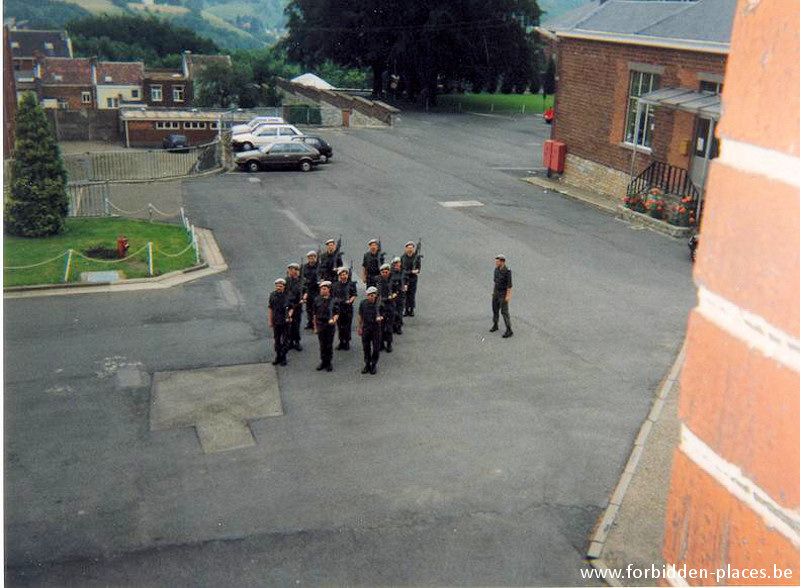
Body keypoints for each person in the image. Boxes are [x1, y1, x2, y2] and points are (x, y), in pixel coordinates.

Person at [313, 281, 339, 371]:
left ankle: (328, 363)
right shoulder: (317, 300)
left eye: (324, 289)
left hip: (329, 325)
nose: (322, 290)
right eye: (321, 289)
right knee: (322, 345)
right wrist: (315, 327)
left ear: (329, 289)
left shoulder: (333, 300)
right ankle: (323, 362)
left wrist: (334, 320)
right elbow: (314, 315)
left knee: (329, 345)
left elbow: (337, 313)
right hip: (320, 324)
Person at [358, 286, 383, 374]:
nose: (371, 297)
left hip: (376, 328)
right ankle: (367, 364)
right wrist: (360, 327)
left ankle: (374, 364)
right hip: (366, 327)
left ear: (376, 295)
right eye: (369, 295)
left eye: (373, 295)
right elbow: (360, 315)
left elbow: (383, 314)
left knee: (376, 348)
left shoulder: (379, 304)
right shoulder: (363, 303)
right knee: (366, 347)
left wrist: (380, 317)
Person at [332, 266, 357, 350]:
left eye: (345, 274)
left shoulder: (351, 284)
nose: (344, 276)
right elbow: (333, 296)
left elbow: (354, 294)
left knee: (347, 326)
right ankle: (341, 341)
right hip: (339, 308)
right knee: (340, 326)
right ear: (339, 276)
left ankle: (347, 342)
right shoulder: (335, 285)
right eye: (342, 274)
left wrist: (350, 300)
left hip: (348, 308)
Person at [268, 278, 291, 366]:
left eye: (280, 286)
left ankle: (283, 356)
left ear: (284, 287)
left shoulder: (288, 295)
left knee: (285, 340)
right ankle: (278, 356)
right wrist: (270, 321)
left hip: (285, 320)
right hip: (276, 320)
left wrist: (289, 316)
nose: (278, 288)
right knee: (277, 340)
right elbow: (270, 308)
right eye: (277, 286)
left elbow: (291, 307)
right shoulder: (272, 295)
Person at [491, 254, 513, 338]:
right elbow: (495, 282)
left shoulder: (507, 271)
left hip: (503, 293)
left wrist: (508, 296)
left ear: (502, 262)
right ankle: (495, 324)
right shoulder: (496, 270)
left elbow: (509, 285)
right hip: (496, 292)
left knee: (504, 311)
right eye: (496, 262)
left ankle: (509, 329)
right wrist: (493, 292)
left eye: (498, 262)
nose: (496, 263)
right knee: (495, 309)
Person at [376, 263, 396, 352]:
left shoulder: (392, 280)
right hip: (380, 305)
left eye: (386, 272)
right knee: (380, 326)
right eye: (383, 272)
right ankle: (381, 343)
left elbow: (397, 290)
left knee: (389, 326)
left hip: (389, 304)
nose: (385, 273)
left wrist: (393, 296)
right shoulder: (377, 280)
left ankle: (389, 344)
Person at [285, 262, 304, 351]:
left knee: (296, 325)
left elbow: (305, 291)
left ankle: (297, 341)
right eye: (289, 270)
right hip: (288, 305)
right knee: (288, 325)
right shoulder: (286, 281)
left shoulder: (301, 281)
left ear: (296, 271)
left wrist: (303, 298)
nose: (290, 272)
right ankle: (290, 341)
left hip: (297, 306)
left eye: (292, 270)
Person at [400, 241, 422, 316]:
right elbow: (402, 270)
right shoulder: (403, 257)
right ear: (406, 249)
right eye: (408, 248)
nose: (410, 249)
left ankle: (411, 309)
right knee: (405, 294)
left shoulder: (416, 257)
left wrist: (416, 271)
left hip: (413, 279)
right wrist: (411, 272)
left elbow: (418, 269)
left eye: (411, 248)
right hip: (405, 278)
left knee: (412, 294)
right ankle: (406, 309)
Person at [302, 250, 320, 329]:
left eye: (313, 257)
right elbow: (302, 277)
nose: (312, 258)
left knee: (316, 307)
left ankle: (316, 322)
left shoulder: (320, 266)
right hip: (308, 289)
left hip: (317, 289)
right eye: (310, 257)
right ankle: (310, 322)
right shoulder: (304, 267)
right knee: (308, 307)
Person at [389, 257, 405, 334]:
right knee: (393, 312)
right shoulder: (390, 274)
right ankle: (393, 326)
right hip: (393, 295)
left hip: (401, 295)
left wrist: (406, 285)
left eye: (398, 264)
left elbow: (406, 280)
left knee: (399, 311)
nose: (397, 265)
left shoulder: (402, 272)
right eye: (395, 264)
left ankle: (398, 327)